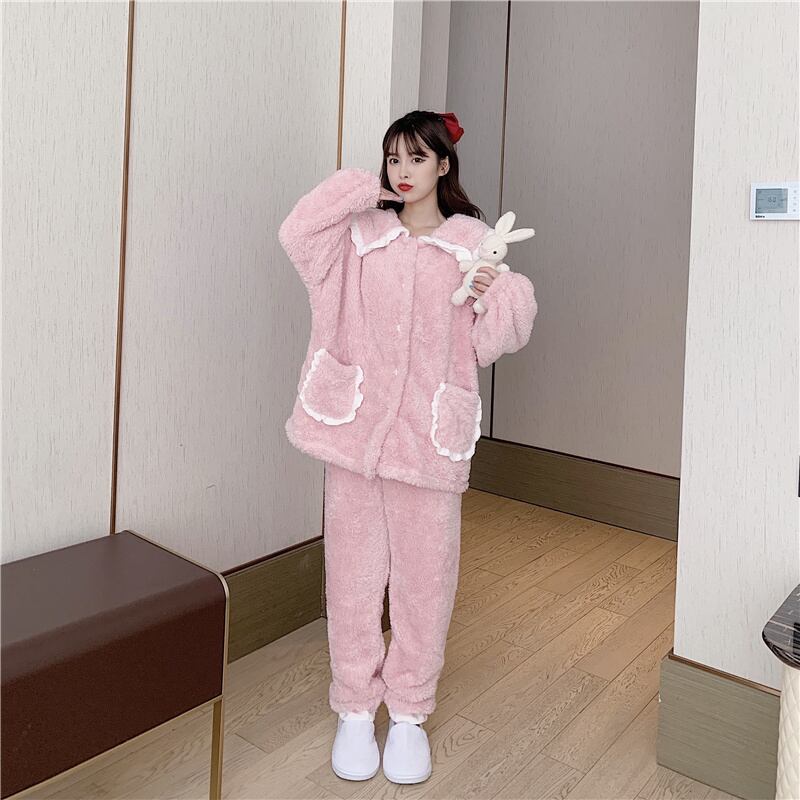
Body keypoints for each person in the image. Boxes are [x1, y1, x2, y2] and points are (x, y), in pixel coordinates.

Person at [277, 110, 538, 784]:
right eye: (393, 158)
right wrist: (360, 188)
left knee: (426, 581)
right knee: (352, 576)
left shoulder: (473, 244)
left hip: (428, 439)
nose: (402, 171)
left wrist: (500, 294)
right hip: (355, 432)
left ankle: (411, 712)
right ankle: (354, 707)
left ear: (444, 165)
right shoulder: (360, 236)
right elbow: (297, 233)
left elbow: (494, 340)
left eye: (417, 158)